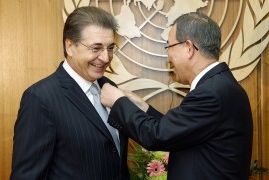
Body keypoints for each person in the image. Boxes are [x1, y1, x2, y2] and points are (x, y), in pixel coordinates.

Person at [101, 12, 253, 179]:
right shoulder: (221, 86)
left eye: (170, 47)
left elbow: (157, 136)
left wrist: (117, 102)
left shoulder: (211, 93)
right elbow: (180, 131)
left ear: (188, 47)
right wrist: (143, 107)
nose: (168, 56)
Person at [11, 6, 129, 180]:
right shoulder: (40, 98)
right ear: (70, 46)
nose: (106, 58)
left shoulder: (110, 87)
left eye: (110, 48)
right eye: (96, 48)